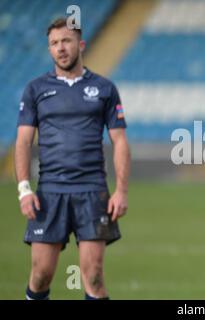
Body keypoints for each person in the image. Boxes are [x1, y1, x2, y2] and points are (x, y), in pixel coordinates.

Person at [15, 17, 130, 300]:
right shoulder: (35, 89)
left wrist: (121, 190)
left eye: (65, 41)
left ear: (80, 44)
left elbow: (119, 141)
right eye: (54, 43)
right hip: (50, 193)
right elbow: (23, 142)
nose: (60, 48)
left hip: (92, 191)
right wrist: (24, 190)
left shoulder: (104, 88)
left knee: (93, 276)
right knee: (41, 275)